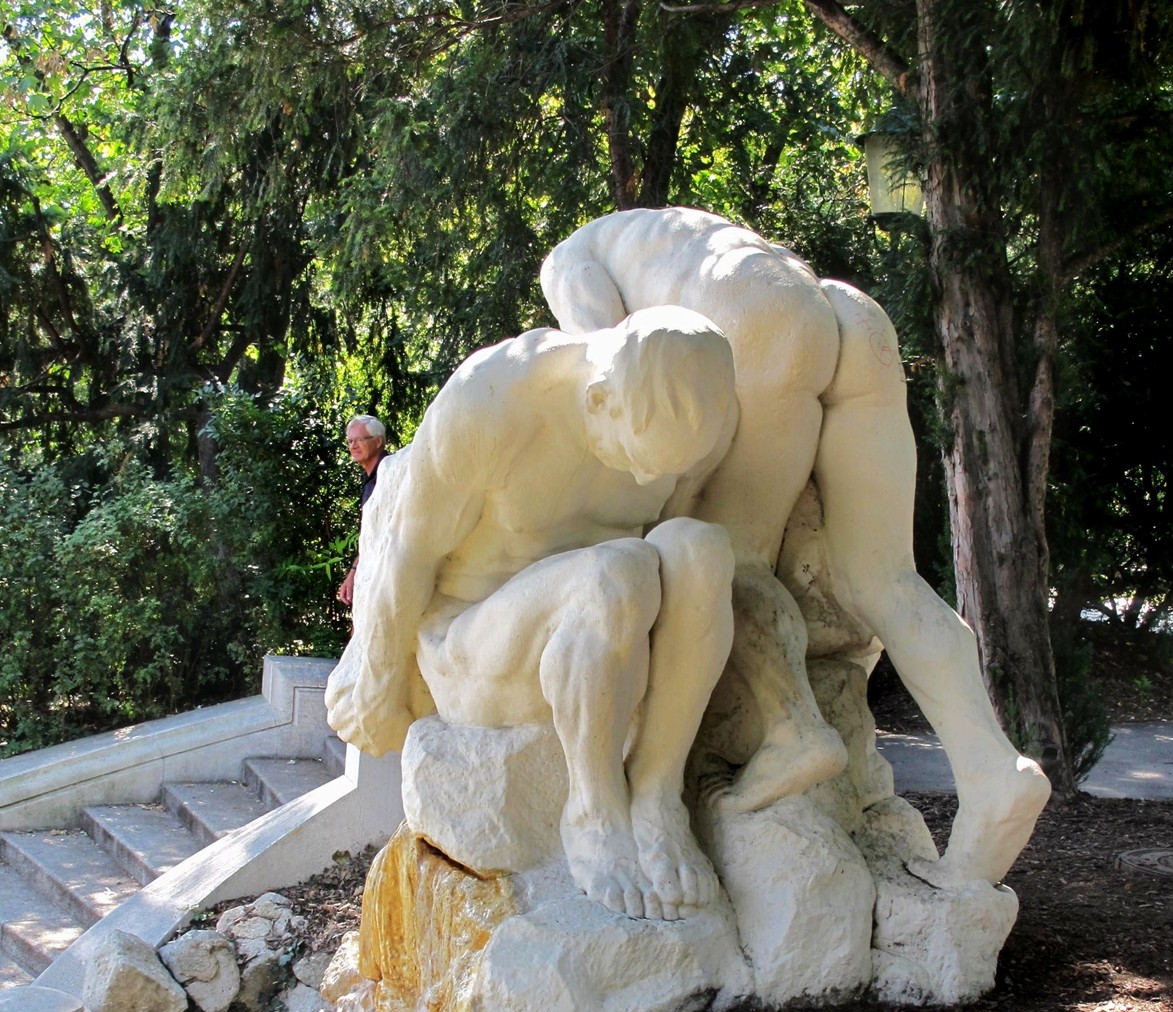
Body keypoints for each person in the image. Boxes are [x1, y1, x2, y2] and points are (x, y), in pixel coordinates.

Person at [540, 207, 1051, 888]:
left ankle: (792, 731)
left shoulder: (567, 260)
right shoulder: (661, 229)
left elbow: (613, 367)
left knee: (725, 558)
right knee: (886, 579)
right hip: (845, 314)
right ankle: (991, 770)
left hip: (759, 321)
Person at [325, 307, 740, 921]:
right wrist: (377, 683)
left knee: (703, 551)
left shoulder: (683, 427)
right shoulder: (493, 402)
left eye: (665, 466)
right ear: (600, 400)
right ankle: (594, 810)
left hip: (599, 638)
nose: (649, 477)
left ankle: (655, 793)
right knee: (616, 570)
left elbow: (669, 544)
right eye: (640, 459)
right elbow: (406, 556)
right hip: (474, 643)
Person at [336, 414, 391, 608]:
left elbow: (384, 533)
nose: (353, 445)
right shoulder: (370, 479)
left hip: (389, 574)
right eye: (350, 441)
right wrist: (354, 571)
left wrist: (355, 573)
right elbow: (370, 536)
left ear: (378, 442)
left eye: (360, 439)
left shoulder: (390, 473)